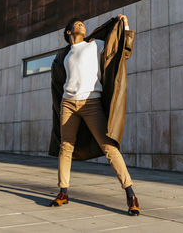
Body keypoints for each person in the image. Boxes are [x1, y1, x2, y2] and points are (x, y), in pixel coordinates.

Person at [48, 14, 140, 216]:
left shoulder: (94, 44)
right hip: (68, 104)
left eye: (83, 24)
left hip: (91, 103)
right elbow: (58, 81)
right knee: (66, 146)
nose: (82, 25)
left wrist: (124, 24)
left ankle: (130, 193)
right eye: (77, 24)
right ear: (69, 32)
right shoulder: (64, 55)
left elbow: (118, 47)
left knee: (109, 147)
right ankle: (63, 191)